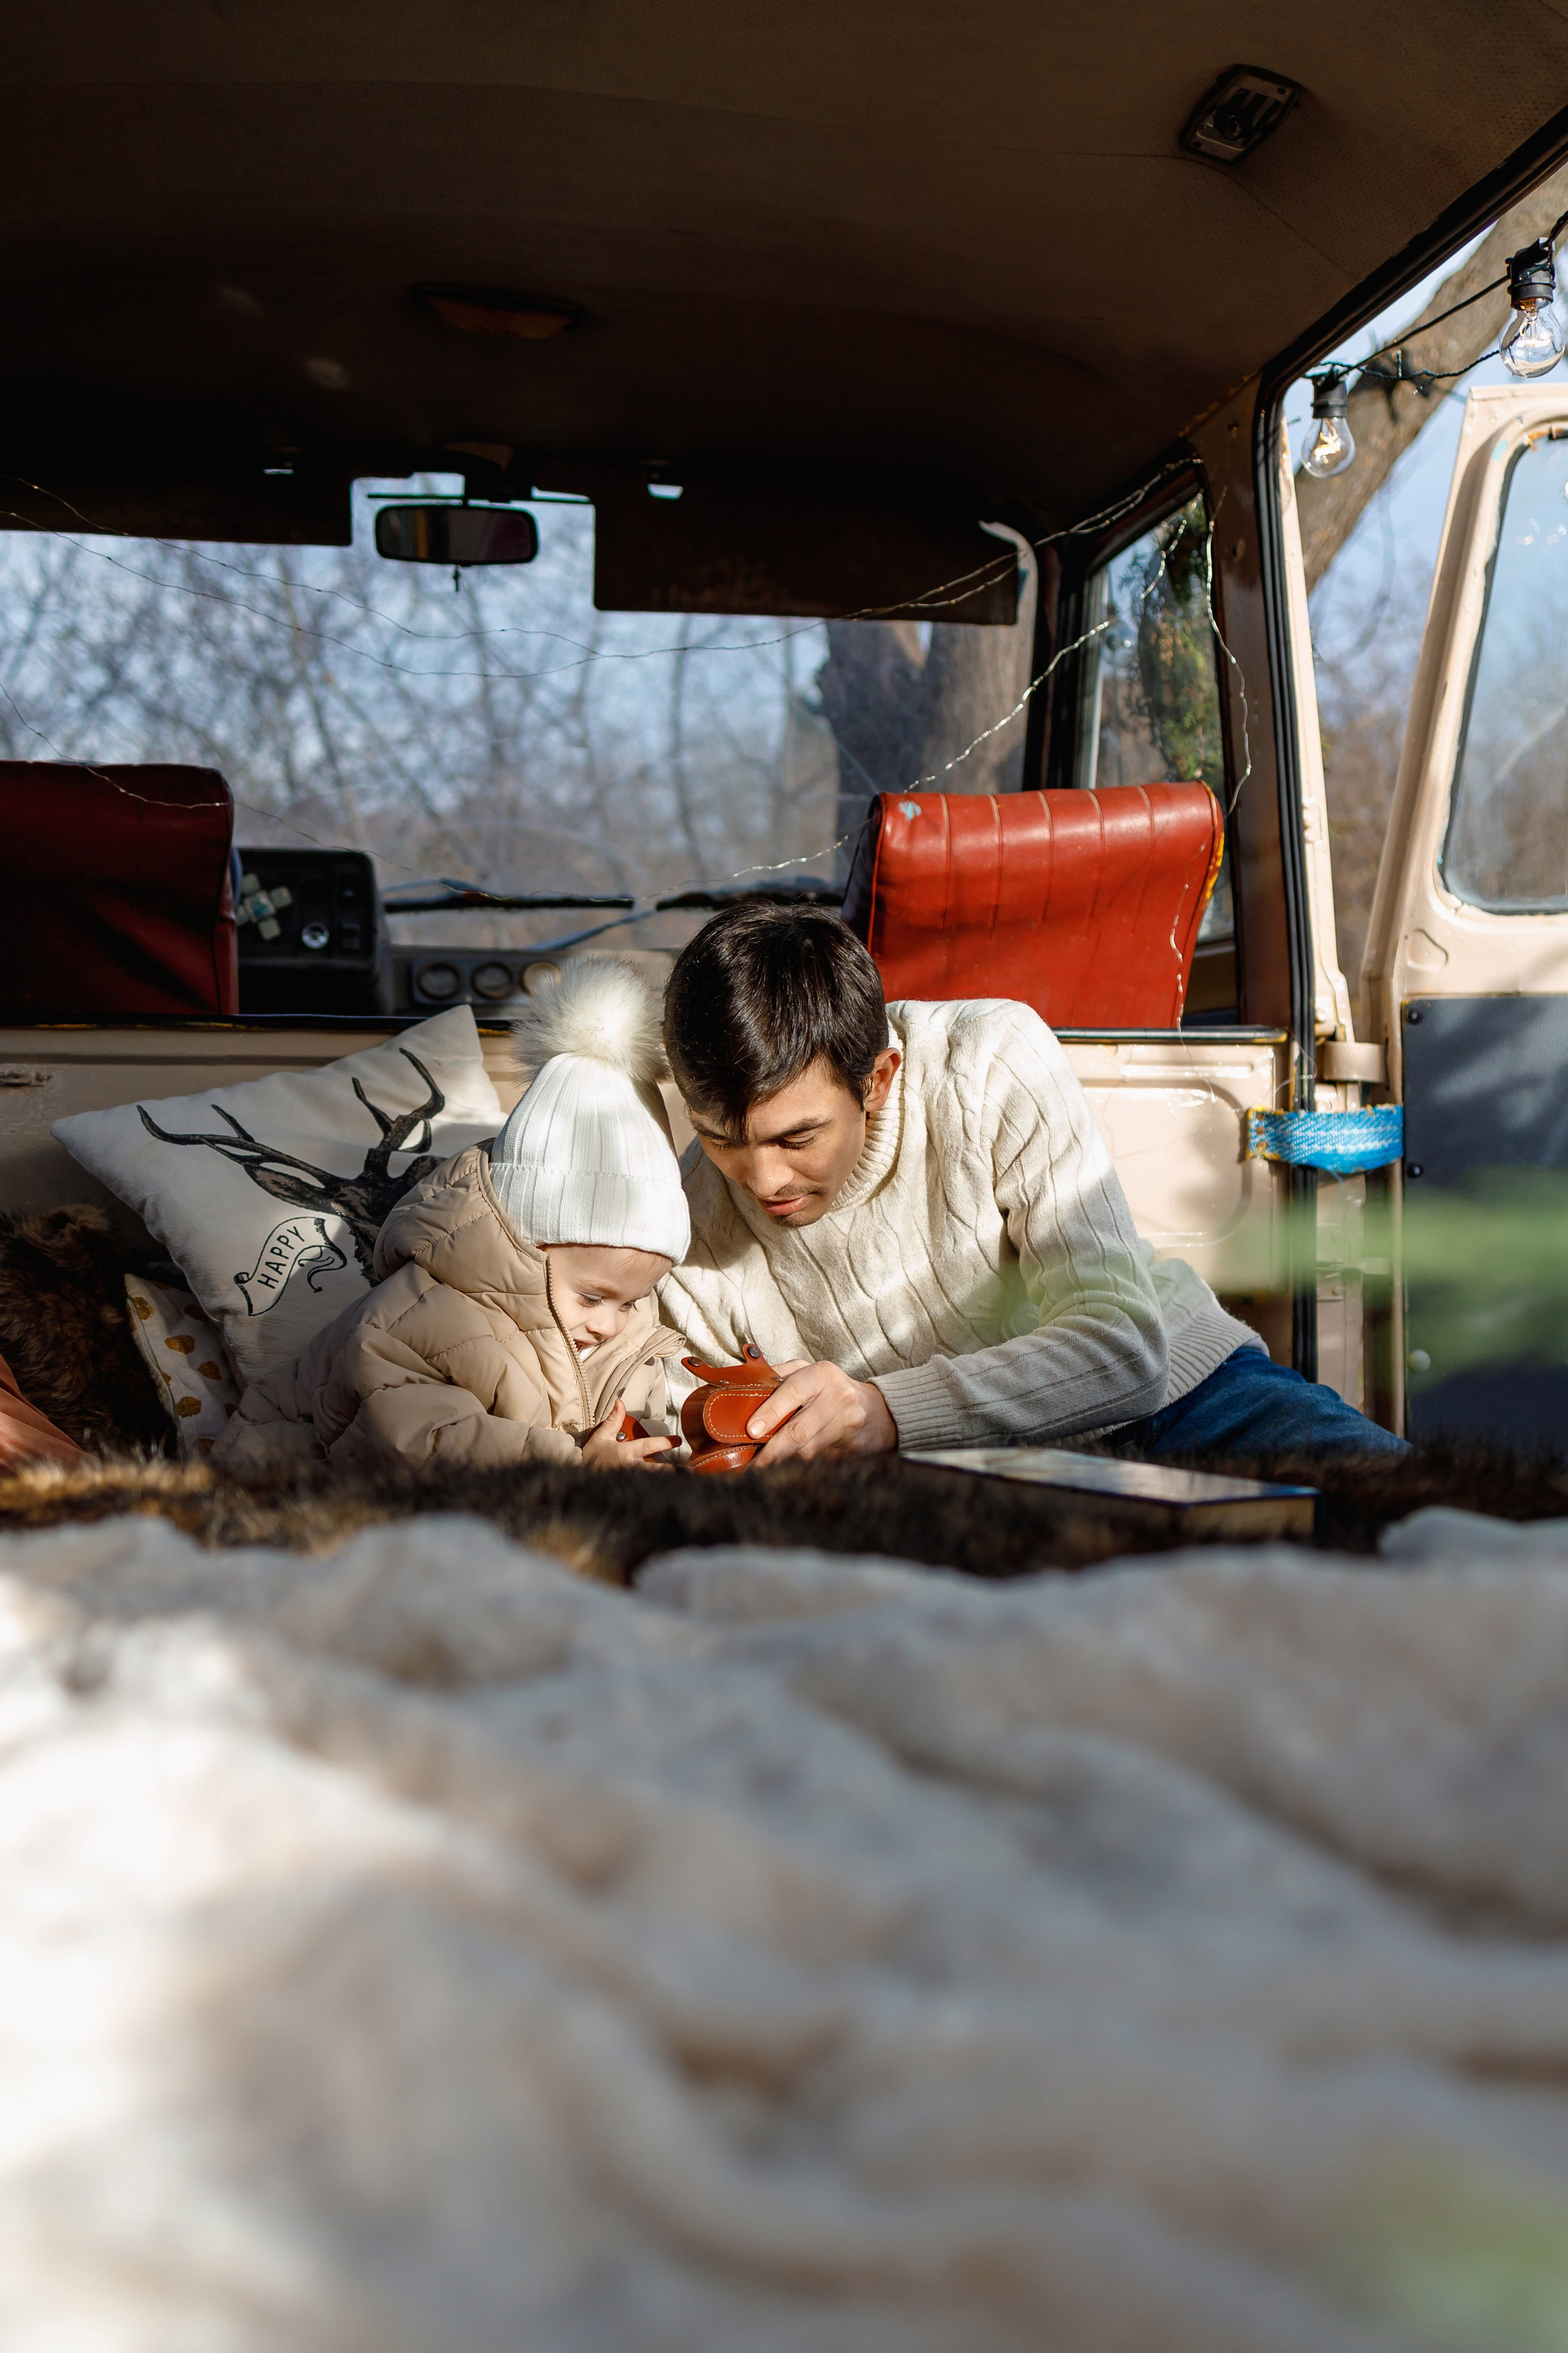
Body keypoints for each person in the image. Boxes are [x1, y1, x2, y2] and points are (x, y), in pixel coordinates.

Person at [657, 903, 1407, 1466]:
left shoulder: (987, 1061)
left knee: (1448, 1537)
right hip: (965, 1480)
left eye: (797, 1137)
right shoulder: (681, 1215)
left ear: (878, 1080)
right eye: (722, 1139)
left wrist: (882, 1410)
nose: (761, 1178)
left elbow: (1123, 1353)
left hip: (1191, 1402)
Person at [215, 961, 687, 1475]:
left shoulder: (624, 1335)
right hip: (296, 1471)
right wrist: (571, 1462)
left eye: (630, 1302)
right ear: (523, 1245)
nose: (608, 1324)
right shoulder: (425, 1314)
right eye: (593, 1297)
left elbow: (639, 1420)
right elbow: (416, 1441)